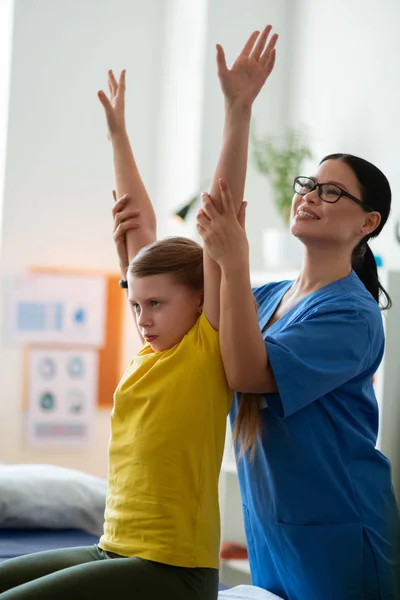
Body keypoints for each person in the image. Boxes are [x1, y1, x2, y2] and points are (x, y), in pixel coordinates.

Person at [0, 26, 278, 600]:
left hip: (172, 570)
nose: (143, 317)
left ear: (201, 297)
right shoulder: (148, 351)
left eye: (155, 304)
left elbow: (222, 201)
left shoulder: (205, 345)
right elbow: (138, 232)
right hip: (116, 546)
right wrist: (118, 137)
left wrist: (237, 111)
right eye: (135, 304)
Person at [197, 141, 400, 596]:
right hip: (275, 526)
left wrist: (235, 258)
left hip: (340, 529)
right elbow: (212, 320)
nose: (309, 195)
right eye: (308, 185)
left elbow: (248, 375)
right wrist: (237, 111)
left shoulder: (352, 314)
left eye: (331, 192)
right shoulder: (268, 297)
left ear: (368, 223)